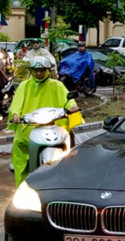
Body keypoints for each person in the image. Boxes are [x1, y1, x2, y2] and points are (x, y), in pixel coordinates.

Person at [8, 56, 78, 186]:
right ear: (31, 71)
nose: (39, 73)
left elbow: (67, 99)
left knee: (71, 145)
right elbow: (17, 104)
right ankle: (23, 183)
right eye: (36, 70)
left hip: (55, 124)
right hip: (29, 127)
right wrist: (16, 114)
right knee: (18, 144)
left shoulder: (56, 85)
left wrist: (72, 106)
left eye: (42, 70)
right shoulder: (24, 85)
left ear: (48, 70)